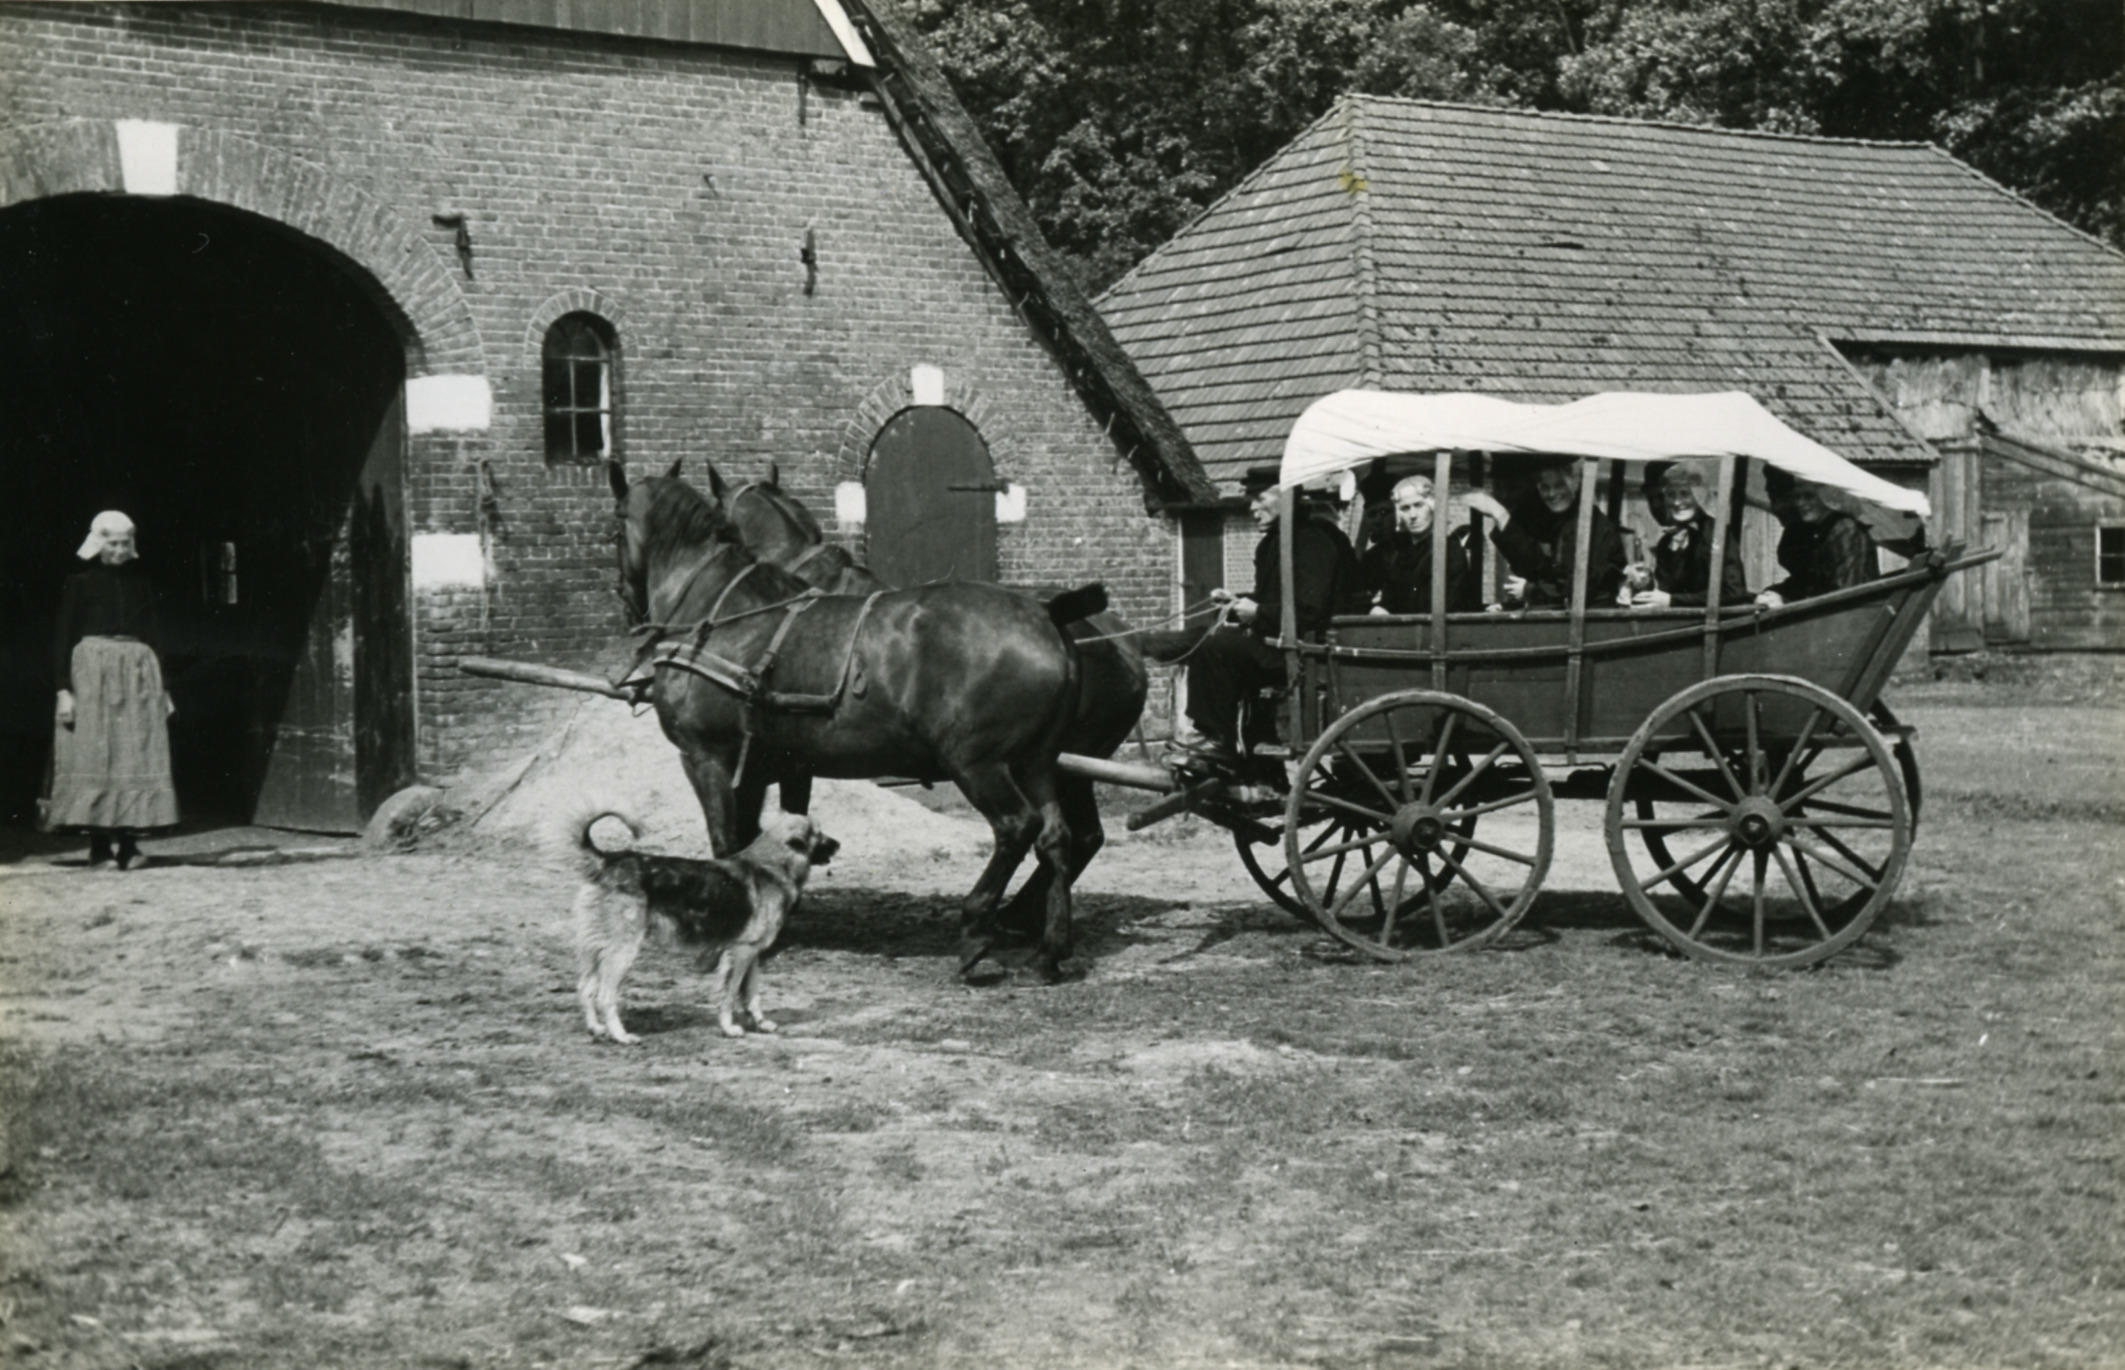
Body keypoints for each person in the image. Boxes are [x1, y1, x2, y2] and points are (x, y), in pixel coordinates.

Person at [1175, 464, 1364, 768]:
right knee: (1213, 641)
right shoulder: (1275, 543)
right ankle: (1256, 758)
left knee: (1214, 648)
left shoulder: (1313, 542)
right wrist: (1239, 600)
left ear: (1286, 496)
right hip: (1282, 643)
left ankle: (1217, 739)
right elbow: (1275, 599)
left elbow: (1310, 611)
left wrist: (1258, 612)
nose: (1252, 508)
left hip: (1308, 652)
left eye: (1260, 499)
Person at [47, 510, 179, 869]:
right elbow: (62, 638)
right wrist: (63, 690)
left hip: (137, 676)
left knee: (134, 753)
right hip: (92, 675)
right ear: (98, 544)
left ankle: (130, 845)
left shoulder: (141, 584)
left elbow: (155, 635)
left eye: (124, 544)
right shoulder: (79, 583)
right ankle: (100, 847)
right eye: (113, 544)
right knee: (97, 755)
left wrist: (164, 690)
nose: (119, 551)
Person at [1464, 458, 1626, 609]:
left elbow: (1577, 590)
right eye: (1545, 487)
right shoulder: (1561, 521)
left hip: (1592, 621)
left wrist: (1530, 591)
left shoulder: (1590, 525)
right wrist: (1501, 516)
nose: (1552, 494)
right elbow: (1539, 568)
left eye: (1559, 485)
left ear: (1575, 483)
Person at [1630, 461, 1750, 609]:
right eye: (1671, 495)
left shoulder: (1716, 533)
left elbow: (1733, 592)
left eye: (1685, 494)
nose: (1677, 502)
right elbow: (1664, 591)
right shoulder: (1666, 542)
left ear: (1699, 496)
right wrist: (1643, 583)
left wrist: (1672, 601)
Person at [1755, 470, 1879, 607]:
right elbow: (1806, 582)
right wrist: (1776, 593)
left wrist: (1787, 603)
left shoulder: (1846, 531)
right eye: (1797, 497)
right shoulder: (1820, 531)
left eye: (1809, 496)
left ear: (1828, 497)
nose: (1800, 503)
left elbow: (1848, 593)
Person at [1360, 474, 1478, 615]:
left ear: (1432, 507)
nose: (1413, 515)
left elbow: (1447, 607)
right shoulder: (1402, 555)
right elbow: (1390, 598)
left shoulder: (1448, 551)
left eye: (1418, 505)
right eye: (1405, 508)